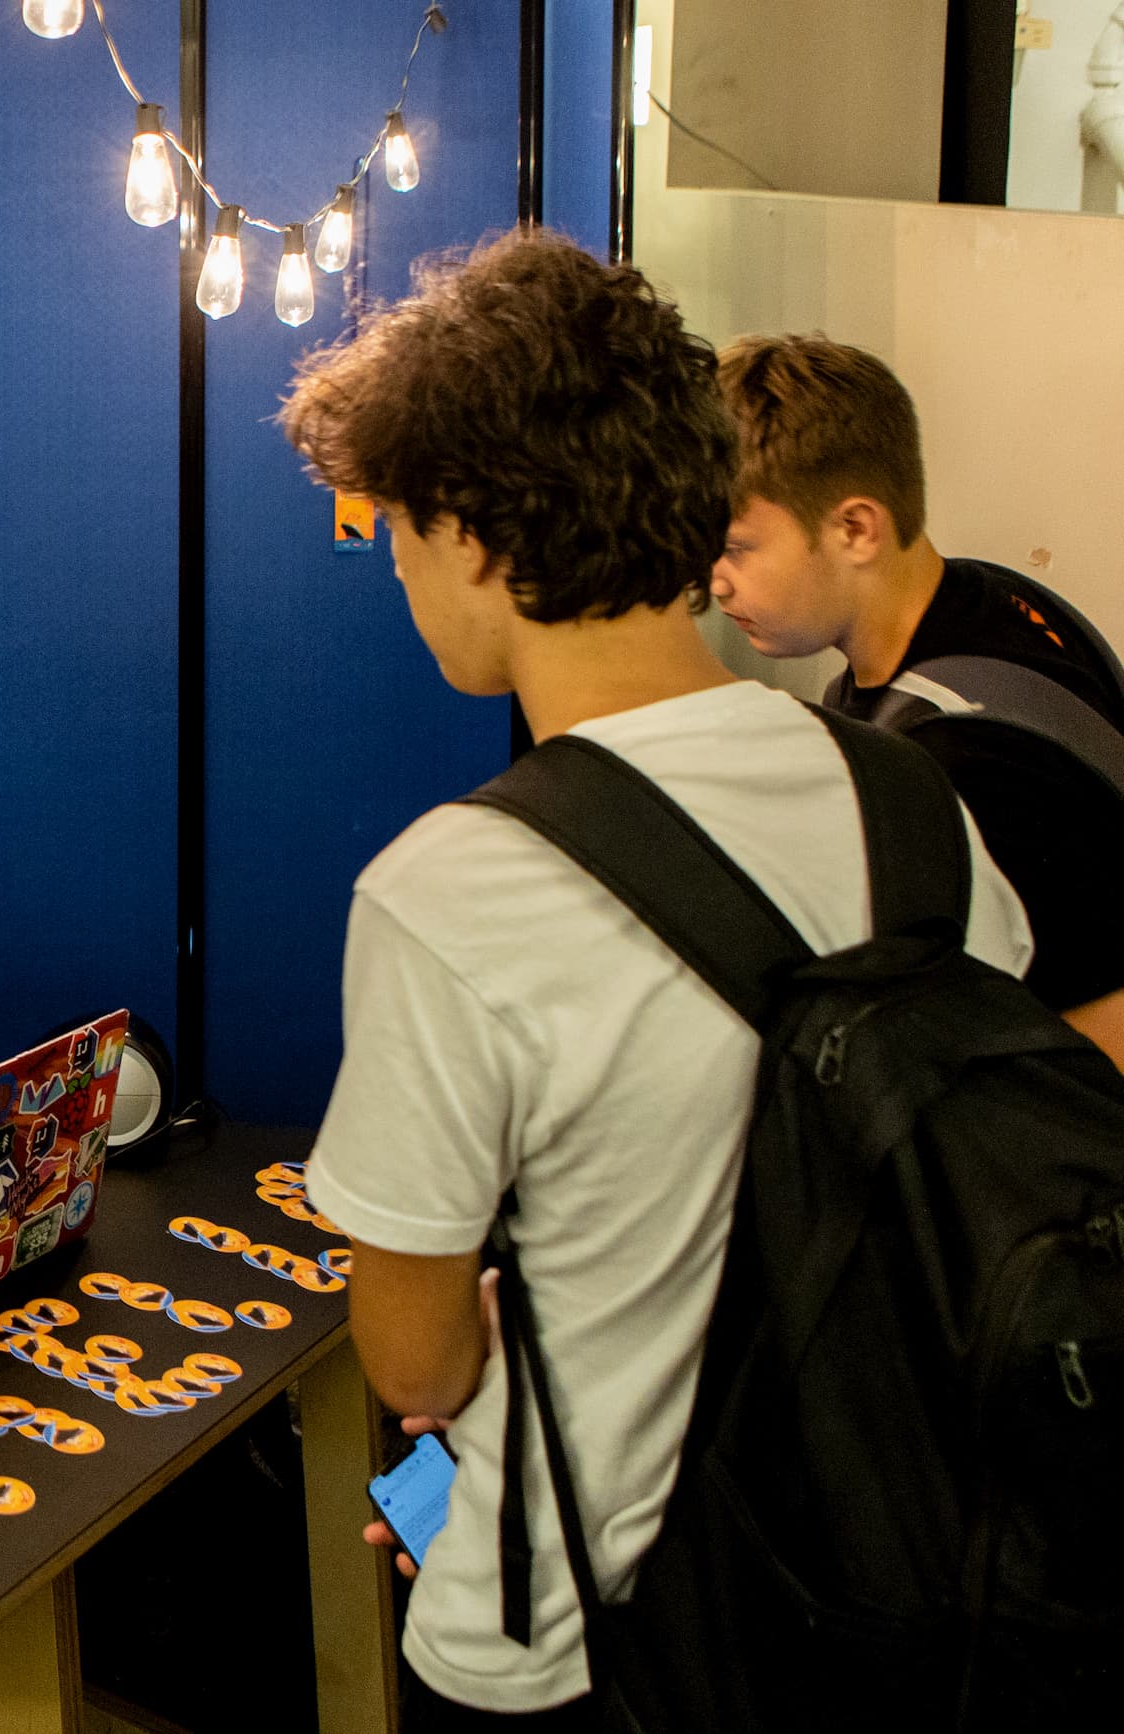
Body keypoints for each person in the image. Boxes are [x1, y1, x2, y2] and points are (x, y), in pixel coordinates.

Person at [275, 233, 1030, 1725]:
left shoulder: (456, 888)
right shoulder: (908, 805)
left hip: (587, 1642)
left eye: (395, 528)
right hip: (907, 1593)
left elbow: (412, 1356)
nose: (398, 569)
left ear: (478, 534)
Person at [709, 333, 1124, 1065]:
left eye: (736, 548)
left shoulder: (967, 757)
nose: (715, 582)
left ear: (855, 528)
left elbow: (1102, 1022)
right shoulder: (991, 595)